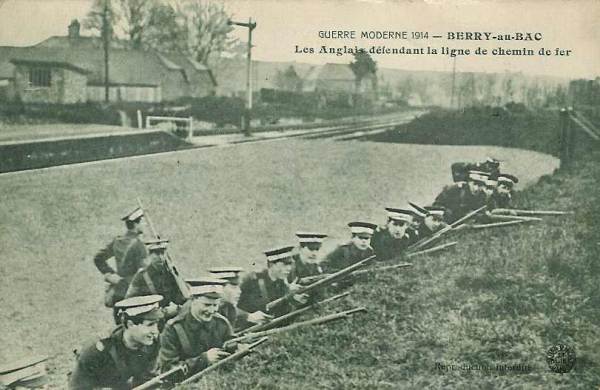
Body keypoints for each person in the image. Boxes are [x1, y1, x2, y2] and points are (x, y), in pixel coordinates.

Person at [68, 295, 164, 390]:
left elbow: (147, 380)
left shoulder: (151, 342)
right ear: (130, 324)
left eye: (157, 324)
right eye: (150, 325)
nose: (155, 331)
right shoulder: (99, 350)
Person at [157, 281, 233, 376]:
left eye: (215, 305)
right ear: (193, 300)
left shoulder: (222, 324)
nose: (211, 311)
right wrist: (204, 360)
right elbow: (168, 370)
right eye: (206, 305)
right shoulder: (173, 329)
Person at [94, 207, 148, 313]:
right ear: (136, 225)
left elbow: (98, 258)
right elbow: (145, 272)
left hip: (119, 292)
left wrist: (110, 275)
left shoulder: (118, 241)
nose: (145, 224)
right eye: (143, 221)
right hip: (136, 295)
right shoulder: (139, 245)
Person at [237, 246, 308, 318]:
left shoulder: (281, 283)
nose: (289, 269)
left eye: (290, 264)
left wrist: (294, 299)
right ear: (272, 264)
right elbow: (232, 307)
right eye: (284, 265)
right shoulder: (252, 280)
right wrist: (248, 316)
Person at [125, 239, 185, 318]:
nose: (160, 257)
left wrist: (178, 307)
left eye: (162, 253)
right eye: (156, 253)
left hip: (173, 316)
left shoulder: (170, 272)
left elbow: (181, 297)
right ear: (149, 255)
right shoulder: (142, 276)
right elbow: (130, 302)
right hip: (152, 318)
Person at [208, 268, 272, 330]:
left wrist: (249, 316)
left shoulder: (227, 307)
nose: (239, 291)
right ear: (218, 288)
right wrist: (249, 317)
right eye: (234, 287)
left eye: (239, 287)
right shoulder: (208, 312)